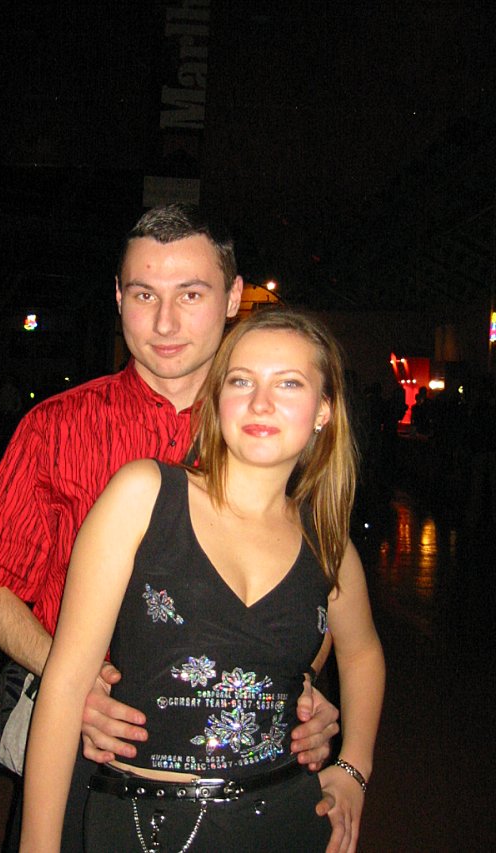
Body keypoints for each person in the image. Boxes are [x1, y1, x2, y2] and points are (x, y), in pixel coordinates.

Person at [0, 204, 341, 849]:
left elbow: (317, 588)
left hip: (244, 763)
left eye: (192, 294)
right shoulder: (55, 427)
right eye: (144, 294)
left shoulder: (275, 430)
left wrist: (302, 684)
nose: (165, 322)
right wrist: (76, 686)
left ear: (234, 297)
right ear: (118, 298)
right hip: (90, 739)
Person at [21, 308, 385, 852]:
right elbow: (66, 683)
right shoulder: (145, 495)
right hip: (143, 823)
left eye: (289, 383)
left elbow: (362, 653)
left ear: (324, 410)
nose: (261, 403)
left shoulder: (328, 546)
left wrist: (355, 768)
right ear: (217, 400)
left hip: (287, 817)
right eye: (241, 381)